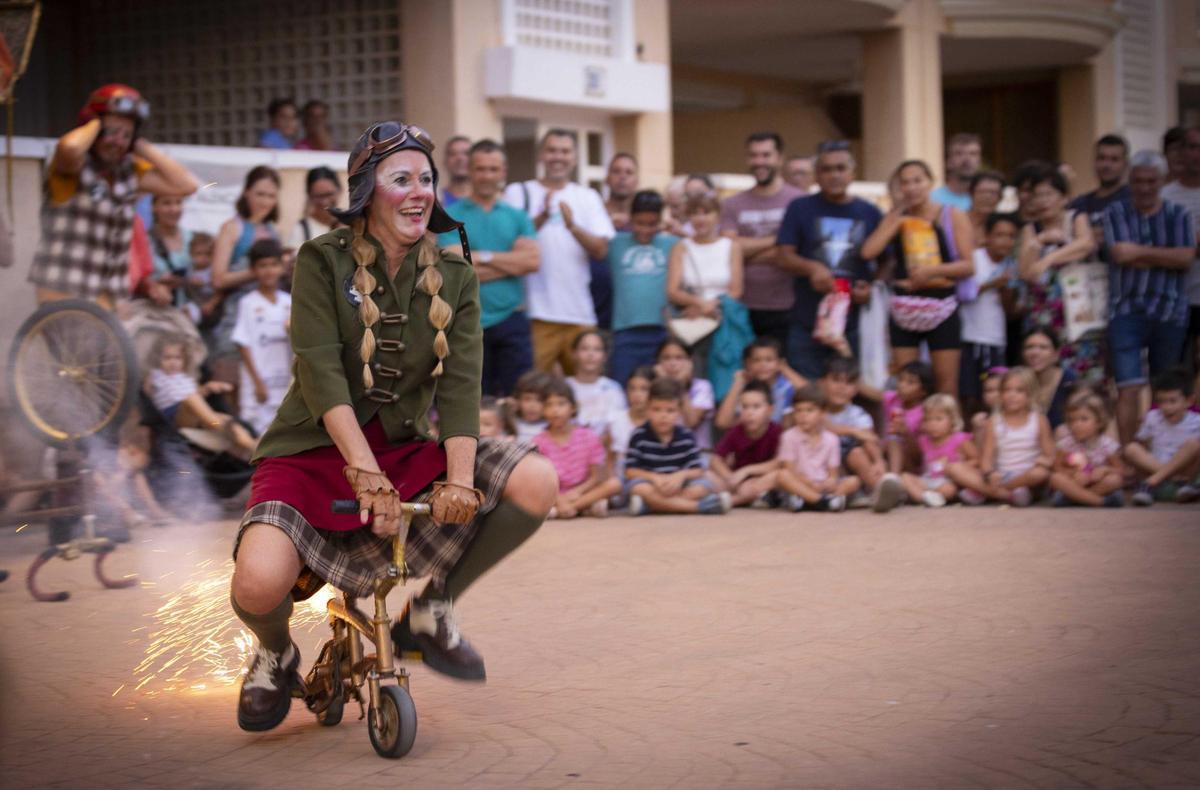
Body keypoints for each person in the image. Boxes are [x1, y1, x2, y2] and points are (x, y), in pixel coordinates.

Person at [229, 122, 557, 733]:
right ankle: (276, 652)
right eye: (400, 179)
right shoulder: (319, 259)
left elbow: (461, 386)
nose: (418, 192)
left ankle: (431, 613)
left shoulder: (456, 276)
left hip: (405, 450)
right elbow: (321, 374)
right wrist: (366, 474)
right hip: (311, 450)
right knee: (257, 584)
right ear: (365, 191)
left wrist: (460, 480)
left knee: (535, 480)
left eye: (426, 179)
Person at [29, 84, 198, 308]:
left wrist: (137, 143)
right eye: (111, 132)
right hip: (65, 289)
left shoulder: (129, 172)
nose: (118, 141)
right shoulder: (71, 167)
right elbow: (69, 148)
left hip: (109, 296)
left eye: (126, 135)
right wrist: (95, 124)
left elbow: (187, 185)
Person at [504, 129, 615, 374]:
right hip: (534, 314)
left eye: (565, 151)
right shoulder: (518, 192)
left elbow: (601, 250)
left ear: (574, 158)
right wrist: (542, 217)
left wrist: (573, 226)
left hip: (580, 314)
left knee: (583, 393)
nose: (558, 157)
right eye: (552, 150)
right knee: (531, 393)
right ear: (541, 155)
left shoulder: (587, 196)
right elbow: (508, 245)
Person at [1104, 151, 1196, 444]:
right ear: (1130, 181)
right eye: (1138, 181)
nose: (1144, 187)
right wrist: (1162, 255)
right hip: (1125, 309)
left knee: (1165, 388)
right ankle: (1131, 458)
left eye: (1151, 181)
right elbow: (1119, 253)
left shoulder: (1179, 214)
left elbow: (1185, 258)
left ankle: (1164, 456)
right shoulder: (1115, 212)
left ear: (1162, 181)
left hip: (1169, 311)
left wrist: (1138, 253)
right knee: (1128, 387)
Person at [862, 159, 975, 396]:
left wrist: (932, 272)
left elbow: (968, 266)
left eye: (918, 181)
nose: (912, 187)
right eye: (905, 183)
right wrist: (898, 221)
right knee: (906, 385)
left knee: (946, 385)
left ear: (930, 183)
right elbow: (868, 252)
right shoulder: (896, 217)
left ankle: (946, 431)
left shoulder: (951, 215)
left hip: (941, 304)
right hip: (905, 306)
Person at [439, 139, 540, 396]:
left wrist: (478, 258)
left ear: (503, 172)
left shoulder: (517, 216)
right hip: (467, 322)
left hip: (512, 320)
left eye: (493, 169)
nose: (486, 175)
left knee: (517, 402)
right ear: (470, 170)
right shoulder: (450, 215)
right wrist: (509, 263)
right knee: (472, 404)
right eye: (481, 169)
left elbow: (531, 261)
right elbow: (454, 267)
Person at [777, 140, 882, 379]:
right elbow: (782, 255)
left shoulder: (870, 212)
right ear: (816, 175)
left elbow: (888, 261)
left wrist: (872, 287)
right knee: (807, 397)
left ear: (852, 173)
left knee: (851, 392)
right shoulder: (800, 208)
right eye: (826, 169)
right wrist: (811, 267)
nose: (834, 175)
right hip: (806, 322)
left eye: (840, 168)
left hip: (854, 326)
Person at [720, 131, 805, 352]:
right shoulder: (732, 204)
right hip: (743, 307)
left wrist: (745, 251)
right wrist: (778, 240)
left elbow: (797, 252)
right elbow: (729, 249)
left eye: (766, 155)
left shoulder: (799, 201)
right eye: (754, 155)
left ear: (780, 158)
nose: (759, 162)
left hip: (789, 306)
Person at [1017, 168, 1102, 384]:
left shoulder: (1076, 218)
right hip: (1044, 312)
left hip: (1079, 310)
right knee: (1044, 371)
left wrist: (1048, 258)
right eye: (1038, 195)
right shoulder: (1031, 228)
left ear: (1064, 197)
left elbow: (1086, 244)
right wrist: (1041, 239)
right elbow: (1026, 272)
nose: (1043, 201)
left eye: (1049, 194)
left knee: (1085, 372)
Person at [210, 166, 282, 404]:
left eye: (271, 196)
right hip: (235, 315)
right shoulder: (232, 228)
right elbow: (218, 279)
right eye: (260, 194)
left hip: (269, 322)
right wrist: (257, 272)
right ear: (247, 193)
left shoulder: (273, 231)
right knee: (231, 389)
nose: (265, 201)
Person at [624, 378, 731, 516]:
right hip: (652, 484)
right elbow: (630, 471)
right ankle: (700, 507)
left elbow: (697, 470)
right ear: (648, 410)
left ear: (679, 412)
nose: (663, 416)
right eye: (656, 410)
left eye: (670, 411)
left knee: (702, 487)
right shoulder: (639, 435)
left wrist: (679, 476)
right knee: (639, 488)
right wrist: (655, 478)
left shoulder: (686, 435)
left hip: (680, 485)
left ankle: (652, 506)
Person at [951, 367, 1054, 507]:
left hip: (1027, 478)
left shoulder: (1039, 420)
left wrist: (1044, 461)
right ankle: (1006, 495)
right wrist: (989, 474)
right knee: (954, 467)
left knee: (1040, 473)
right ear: (1001, 394)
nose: (1012, 395)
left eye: (1019, 391)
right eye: (1007, 390)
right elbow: (986, 460)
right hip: (1000, 475)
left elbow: (1049, 455)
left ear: (1030, 394)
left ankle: (987, 492)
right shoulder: (994, 421)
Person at [144, 333, 256, 459]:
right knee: (192, 400)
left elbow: (198, 396)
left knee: (225, 420)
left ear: (183, 360)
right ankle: (220, 427)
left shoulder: (185, 378)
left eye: (177, 358)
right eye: (167, 358)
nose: (173, 362)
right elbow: (146, 398)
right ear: (158, 359)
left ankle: (250, 445)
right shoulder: (155, 376)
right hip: (174, 417)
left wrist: (208, 388)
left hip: (199, 417)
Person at [668, 193, 744, 376]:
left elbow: (736, 290)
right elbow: (672, 290)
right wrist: (699, 304)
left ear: (717, 216)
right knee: (695, 375)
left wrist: (709, 307)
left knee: (724, 375)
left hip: (724, 320)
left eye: (706, 212)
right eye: (695, 213)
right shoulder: (681, 246)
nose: (700, 219)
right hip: (692, 322)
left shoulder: (731, 246)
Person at [608, 190, 677, 384]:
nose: (646, 230)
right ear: (630, 218)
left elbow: (701, 244)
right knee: (623, 386)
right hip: (625, 331)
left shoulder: (672, 244)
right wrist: (609, 222)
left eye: (652, 224)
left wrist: (680, 230)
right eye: (640, 223)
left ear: (660, 221)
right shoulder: (615, 242)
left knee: (661, 390)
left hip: (662, 329)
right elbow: (594, 240)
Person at [534, 379, 621, 519]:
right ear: (543, 410)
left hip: (583, 490)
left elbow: (596, 477)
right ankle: (584, 507)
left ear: (573, 407)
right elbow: (541, 482)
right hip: (553, 493)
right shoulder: (538, 442)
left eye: (561, 404)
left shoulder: (589, 436)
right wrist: (559, 498)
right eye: (549, 405)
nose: (555, 410)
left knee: (614, 484)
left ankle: (569, 508)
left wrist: (577, 492)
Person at [231, 239, 293, 435]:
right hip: (259, 386)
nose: (269, 271)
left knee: (282, 433)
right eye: (262, 266)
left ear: (282, 267)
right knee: (257, 435)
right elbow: (243, 344)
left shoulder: (289, 301)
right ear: (253, 269)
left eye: (273, 265)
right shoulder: (248, 303)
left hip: (284, 382)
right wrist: (257, 382)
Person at [818, 357, 897, 509]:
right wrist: (853, 431)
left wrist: (879, 460)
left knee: (857, 453)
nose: (841, 387)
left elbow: (869, 439)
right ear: (822, 383)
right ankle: (852, 494)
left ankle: (880, 490)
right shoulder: (815, 409)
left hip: (849, 470)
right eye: (836, 380)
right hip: (822, 469)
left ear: (856, 389)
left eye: (848, 383)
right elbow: (824, 425)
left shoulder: (857, 414)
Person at [960, 213, 1019, 414]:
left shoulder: (1011, 265)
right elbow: (962, 294)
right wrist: (992, 284)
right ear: (987, 236)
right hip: (969, 336)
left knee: (994, 395)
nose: (1006, 241)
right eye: (1000, 235)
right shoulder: (974, 259)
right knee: (968, 394)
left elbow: (1009, 311)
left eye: (1011, 236)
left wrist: (1008, 289)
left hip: (995, 339)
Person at [776, 385, 860, 512]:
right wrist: (809, 483)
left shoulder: (831, 439)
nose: (803, 416)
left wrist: (829, 482)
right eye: (798, 411)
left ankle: (811, 501)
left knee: (854, 481)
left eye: (809, 410)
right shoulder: (789, 437)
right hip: (801, 483)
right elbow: (790, 470)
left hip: (822, 486)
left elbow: (833, 474)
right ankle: (822, 502)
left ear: (822, 413)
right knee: (782, 475)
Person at [1160, 127, 1200, 386]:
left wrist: (1181, 245)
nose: (1196, 153)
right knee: (1172, 373)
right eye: (1191, 147)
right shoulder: (1164, 196)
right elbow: (1155, 246)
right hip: (1174, 299)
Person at [1126, 367, 1200, 505]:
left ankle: (1150, 484)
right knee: (1131, 448)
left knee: (1194, 445)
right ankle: (1163, 480)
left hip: (1185, 477)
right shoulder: (1152, 417)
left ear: (1189, 401)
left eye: (1172, 401)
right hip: (1160, 473)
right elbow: (1142, 444)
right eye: (1162, 401)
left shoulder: (1196, 421)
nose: (1166, 407)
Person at [709, 380, 783, 507]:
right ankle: (747, 498)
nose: (750, 413)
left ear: (770, 410)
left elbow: (779, 462)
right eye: (744, 407)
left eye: (756, 407)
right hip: (736, 480)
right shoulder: (736, 431)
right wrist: (731, 477)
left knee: (778, 476)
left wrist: (747, 471)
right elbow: (716, 460)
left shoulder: (776, 431)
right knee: (707, 476)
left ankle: (729, 502)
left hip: (760, 479)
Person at [1049, 390, 1125, 508]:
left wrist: (1105, 470)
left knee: (1115, 480)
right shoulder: (1066, 444)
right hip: (1076, 484)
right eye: (1071, 420)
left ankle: (1076, 498)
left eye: (1084, 419)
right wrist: (1073, 473)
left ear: (1099, 422)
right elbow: (1057, 468)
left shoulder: (1107, 445)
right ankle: (1100, 502)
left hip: (1098, 485)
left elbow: (1120, 470)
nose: (1076, 425)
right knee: (1055, 479)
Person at [900, 394, 977, 508]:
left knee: (949, 490)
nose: (932, 424)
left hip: (948, 481)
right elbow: (914, 458)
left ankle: (926, 497)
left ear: (952, 420)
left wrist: (955, 466)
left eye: (938, 419)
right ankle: (925, 498)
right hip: (928, 480)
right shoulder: (923, 440)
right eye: (928, 419)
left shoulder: (959, 439)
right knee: (905, 477)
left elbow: (976, 460)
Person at [714, 336, 805, 429]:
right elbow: (722, 422)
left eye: (769, 360)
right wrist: (737, 384)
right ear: (747, 364)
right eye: (756, 360)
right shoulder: (744, 388)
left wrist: (785, 369)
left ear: (779, 362)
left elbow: (810, 393)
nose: (763, 365)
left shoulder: (786, 387)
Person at [1069, 134, 1130, 248]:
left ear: (1125, 164)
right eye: (1101, 158)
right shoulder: (1080, 203)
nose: (1106, 165)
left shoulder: (1133, 200)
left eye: (1114, 159)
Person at [654, 337, 715, 450]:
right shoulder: (652, 387)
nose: (672, 364)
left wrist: (680, 385)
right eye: (666, 358)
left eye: (679, 358)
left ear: (690, 362)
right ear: (658, 363)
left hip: (697, 453)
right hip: (661, 455)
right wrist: (663, 384)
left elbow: (691, 422)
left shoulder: (702, 387)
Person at [566, 330, 626, 439]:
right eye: (584, 348)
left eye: (597, 349)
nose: (590, 354)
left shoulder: (613, 389)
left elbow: (617, 428)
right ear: (574, 353)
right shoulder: (564, 387)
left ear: (605, 356)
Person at [882, 361, 933, 476]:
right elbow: (871, 394)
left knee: (893, 439)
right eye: (900, 379)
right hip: (886, 455)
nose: (901, 385)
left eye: (910, 382)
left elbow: (919, 456)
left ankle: (893, 478)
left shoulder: (925, 413)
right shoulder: (892, 398)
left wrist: (905, 433)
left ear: (923, 391)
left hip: (911, 465)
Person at [1021, 327, 1077, 431]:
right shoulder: (1018, 383)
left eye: (1043, 347)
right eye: (1029, 347)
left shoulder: (1070, 383)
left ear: (1056, 354)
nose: (1035, 353)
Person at [607, 365, 654, 482]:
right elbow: (609, 459)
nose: (637, 394)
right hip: (620, 481)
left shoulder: (659, 422)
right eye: (632, 389)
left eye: (644, 389)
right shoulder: (615, 420)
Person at [147, 194, 193, 308]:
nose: (174, 209)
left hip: (188, 313)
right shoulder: (145, 241)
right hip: (154, 311)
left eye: (178, 202)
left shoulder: (192, 238)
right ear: (153, 207)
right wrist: (155, 284)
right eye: (166, 203)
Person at [289, 167, 343, 246]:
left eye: (329, 194)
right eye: (318, 196)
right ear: (310, 197)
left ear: (339, 191)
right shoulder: (302, 230)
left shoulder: (352, 224)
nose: (325, 201)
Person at [931, 132, 982, 210]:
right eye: (959, 154)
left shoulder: (988, 200)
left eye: (973, 154)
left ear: (979, 161)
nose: (966, 159)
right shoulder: (932, 200)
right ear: (948, 161)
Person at [183, 232, 222, 331]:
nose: (204, 258)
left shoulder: (213, 270)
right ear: (191, 254)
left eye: (208, 254)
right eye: (199, 254)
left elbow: (220, 291)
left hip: (212, 306)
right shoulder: (190, 269)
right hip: (196, 303)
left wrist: (212, 303)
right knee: (186, 311)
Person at [966, 171, 1005, 247]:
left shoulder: (1003, 226)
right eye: (982, 192)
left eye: (993, 193)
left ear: (1000, 197)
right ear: (970, 193)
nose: (987, 197)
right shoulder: (955, 221)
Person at [512, 369, 552, 443]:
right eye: (527, 399)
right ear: (518, 400)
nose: (532, 405)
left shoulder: (552, 428)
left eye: (539, 400)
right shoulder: (511, 425)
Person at [604, 153, 639, 230]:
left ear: (637, 181)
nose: (622, 177)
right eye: (616, 171)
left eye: (629, 172)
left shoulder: (645, 219)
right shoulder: (596, 213)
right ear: (607, 179)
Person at [440, 134, 471, 207]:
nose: (460, 158)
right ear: (445, 162)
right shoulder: (437, 201)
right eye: (453, 154)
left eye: (466, 153)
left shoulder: (487, 201)